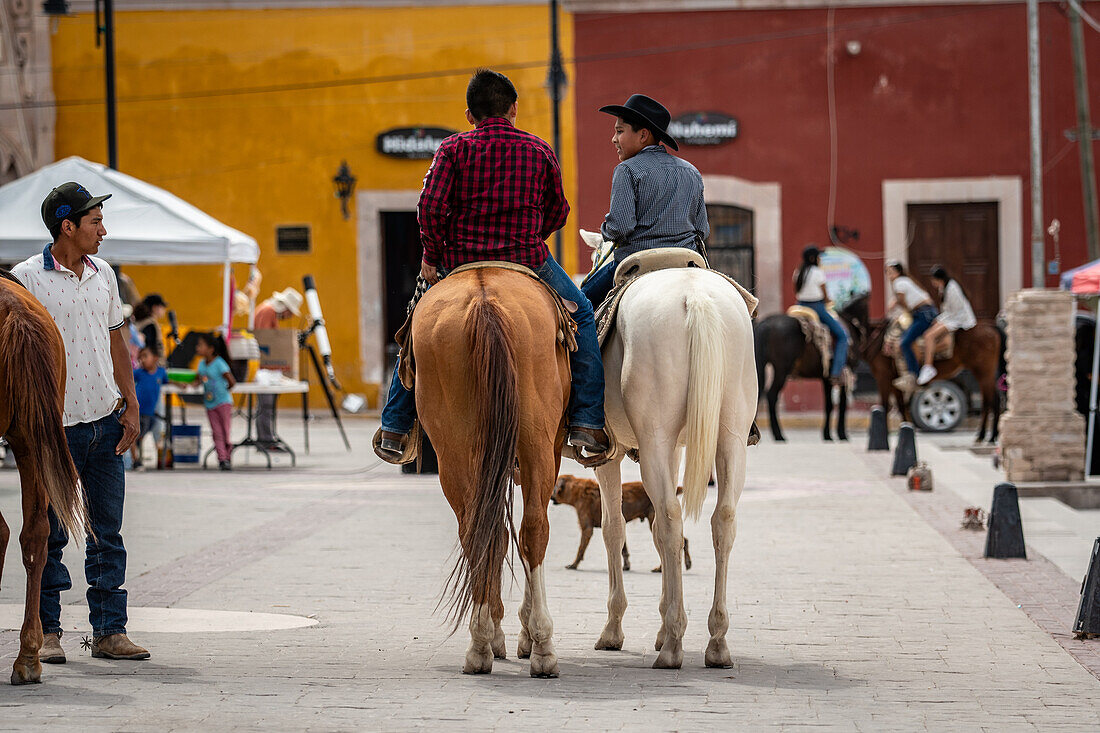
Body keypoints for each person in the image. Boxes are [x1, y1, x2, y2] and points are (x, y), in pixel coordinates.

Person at [376, 68, 608, 462]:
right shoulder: (538, 150)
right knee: (583, 313)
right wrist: (530, 235)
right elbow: (560, 211)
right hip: (527, 259)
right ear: (514, 108)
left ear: (470, 115)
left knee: (416, 323)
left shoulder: (451, 149)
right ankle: (587, 419)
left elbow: (429, 207)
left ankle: (396, 426)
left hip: (460, 261)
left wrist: (433, 255)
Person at [11, 181, 149, 662]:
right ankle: (47, 631)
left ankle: (111, 631)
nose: (103, 231)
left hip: (105, 420)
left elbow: (117, 344)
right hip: (54, 427)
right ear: (66, 225)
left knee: (107, 532)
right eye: (95, 222)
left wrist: (129, 404)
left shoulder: (105, 274)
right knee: (50, 529)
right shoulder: (27, 279)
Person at [581, 94, 709, 308]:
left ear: (643, 135)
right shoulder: (691, 171)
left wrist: (606, 231)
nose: (614, 139)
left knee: (580, 304)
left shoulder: (627, 169)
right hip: (688, 263)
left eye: (619, 131)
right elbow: (702, 230)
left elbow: (620, 228)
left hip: (637, 263)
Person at [252, 287, 302, 449]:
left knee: (267, 405)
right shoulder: (268, 312)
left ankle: (267, 436)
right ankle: (266, 439)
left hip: (266, 366)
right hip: (265, 367)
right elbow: (267, 341)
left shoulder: (266, 309)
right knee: (266, 404)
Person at [794, 245, 849, 383]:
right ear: (813, 258)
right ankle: (836, 372)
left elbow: (797, 292)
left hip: (800, 306)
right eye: (818, 256)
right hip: (816, 307)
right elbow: (825, 296)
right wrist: (831, 301)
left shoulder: (798, 272)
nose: (820, 259)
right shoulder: (817, 272)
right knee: (842, 336)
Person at [917, 265, 977, 386]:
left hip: (958, 319)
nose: (933, 283)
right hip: (951, 317)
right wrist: (939, 320)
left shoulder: (952, 289)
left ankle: (928, 367)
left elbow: (956, 311)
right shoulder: (944, 288)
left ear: (939, 279)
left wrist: (940, 320)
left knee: (929, 336)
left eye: (933, 280)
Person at [885, 260, 939, 393]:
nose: (889, 275)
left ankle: (912, 375)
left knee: (904, 342)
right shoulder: (905, 281)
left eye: (891, 272)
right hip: (925, 312)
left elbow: (903, 302)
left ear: (898, 272)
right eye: (887, 272)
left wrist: (896, 305)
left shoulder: (899, 282)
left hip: (922, 314)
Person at [195, 331, 237, 470]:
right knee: (216, 432)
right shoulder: (202, 364)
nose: (197, 348)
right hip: (210, 404)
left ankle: (227, 455)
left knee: (225, 432)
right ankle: (222, 459)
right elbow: (198, 379)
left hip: (223, 403)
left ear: (211, 349)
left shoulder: (219, 363)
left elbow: (231, 381)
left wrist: (223, 390)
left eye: (201, 345)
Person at [130, 345, 167, 470]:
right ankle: (136, 461)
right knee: (133, 435)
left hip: (149, 413)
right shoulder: (139, 373)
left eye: (145, 356)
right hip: (137, 411)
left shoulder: (161, 372)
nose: (142, 360)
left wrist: (180, 384)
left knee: (141, 434)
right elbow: (127, 378)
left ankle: (137, 457)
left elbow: (167, 381)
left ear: (155, 358)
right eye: (141, 357)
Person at [132, 293, 169, 361]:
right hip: (150, 365)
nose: (164, 310)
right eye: (162, 307)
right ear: (155, 307)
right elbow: (151, 346)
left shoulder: (139, 321)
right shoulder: (150, 325)